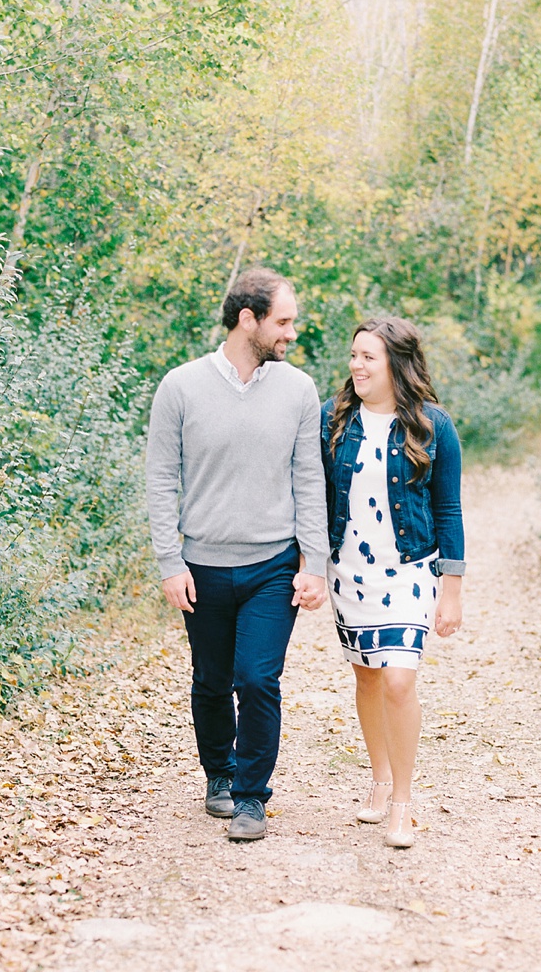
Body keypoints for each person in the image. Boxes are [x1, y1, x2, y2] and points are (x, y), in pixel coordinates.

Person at [146, 266, 328, 842]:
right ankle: (218, 777)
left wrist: (314, 564)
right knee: (211, 680)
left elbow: (309, 480)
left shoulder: (298, 390)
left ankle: (251, 796)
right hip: (202, 566)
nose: (291, 333)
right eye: (283, 321)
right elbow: (159, 480)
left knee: (257, 679)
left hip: (273, 564)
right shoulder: (180, 386)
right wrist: (169, 562)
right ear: (248, 319)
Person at [321, 317, 465, 848]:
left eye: (368, 357)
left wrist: (452, 589)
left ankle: (402, 803)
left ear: (396, 365)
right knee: (367, 678)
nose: (356, 365)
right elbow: (314, 498)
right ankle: (379, 779)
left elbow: (448, 509)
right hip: (350, 572)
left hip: (410, 571)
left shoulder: (433, 426)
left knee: (400, 680)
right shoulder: (333, 421)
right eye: (354, 355)